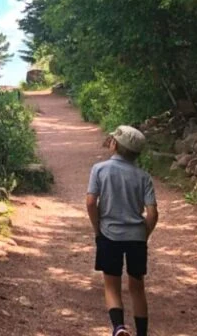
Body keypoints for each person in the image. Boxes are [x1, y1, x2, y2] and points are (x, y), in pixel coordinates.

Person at [86, 125, 159, 336]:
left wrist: (97, 228)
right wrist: (143, 235)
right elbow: (153, 214)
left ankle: (118, 327)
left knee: (111, 285)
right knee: (137, 288)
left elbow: (91, 202)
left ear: (114, 144)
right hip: (136, 237)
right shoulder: (143, 177)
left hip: (109, 234)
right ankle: (142, 334)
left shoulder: (99, 169)